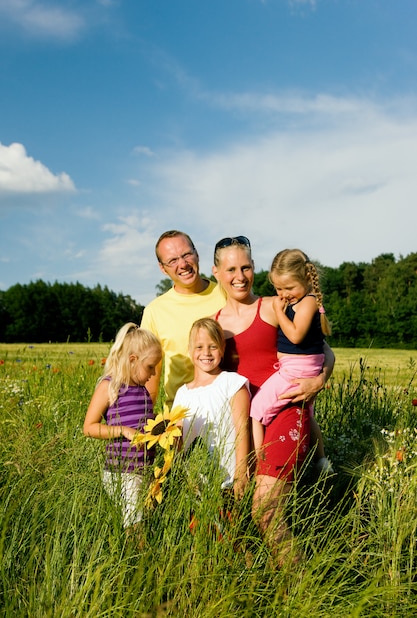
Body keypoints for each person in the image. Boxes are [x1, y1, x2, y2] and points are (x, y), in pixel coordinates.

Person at [212, 236, 335, 565]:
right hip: (244, 425)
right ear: (216, 273)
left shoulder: (274, 305)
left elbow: (324, 351)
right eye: (231, 269)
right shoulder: (215, 323)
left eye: (246, 267)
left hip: (284, 411)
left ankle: (302, 589)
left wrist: (319, 381)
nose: (240, 276)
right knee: (240, 516)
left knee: (265, 512)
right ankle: (268, 581)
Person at [250, 248, 333, 474]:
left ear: (307, 279)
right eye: (278, 288)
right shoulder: (301, 300)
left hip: (297, 369)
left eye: (289, 288)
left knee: (256, 410)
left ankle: (258, 461)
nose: (283, 293)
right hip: (301, 366)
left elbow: (295, 335)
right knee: (308, 412)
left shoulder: (307, 302)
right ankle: (321, 460)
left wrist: (279, 313)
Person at [83, 323, 162, 529]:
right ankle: (139, 558)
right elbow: (89, 427)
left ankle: (137, 556)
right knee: (135, 524)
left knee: (143, 518)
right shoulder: (110, 386)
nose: (154, 374)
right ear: (133, 360)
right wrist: (122, 431)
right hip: (121, 471)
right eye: (150, 367)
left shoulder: (142, 390)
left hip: (144, 470)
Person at [141, 230, 226, 411]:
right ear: (162, 268)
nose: (183, 264)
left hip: (228, 409)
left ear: (197, 254)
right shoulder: (154, 311)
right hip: (180, 417)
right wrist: (145, 423)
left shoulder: (227, 294)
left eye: (187, 254)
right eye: (172, 260)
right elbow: (149, 375)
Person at [173, 317, 251, 500]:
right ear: (190, 350)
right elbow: (177, 440)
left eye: (213, 346)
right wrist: (180, 474)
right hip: (193, 483)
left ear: (223, 349)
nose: (206, 352)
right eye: (199, 347)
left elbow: (242, 429)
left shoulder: (232, 383)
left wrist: (241, 473)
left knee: (229, 526)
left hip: (228, 480)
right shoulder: (182, 393)